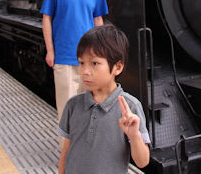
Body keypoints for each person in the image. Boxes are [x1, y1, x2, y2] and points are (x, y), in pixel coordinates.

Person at [57, 25, 150, 174]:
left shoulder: (130, 107)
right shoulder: (73, 105)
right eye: (81, 63)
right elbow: (66, 152)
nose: (85, 72)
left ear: (117, 67)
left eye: (94, 63)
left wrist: (134, 135)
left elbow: (143, 161)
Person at [40, 0, 108, 124]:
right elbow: (47, 18)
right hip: (64, 58)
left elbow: (98, 21)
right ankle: (67, 152)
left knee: (90, 109)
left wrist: (101, 51)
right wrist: (50, 51)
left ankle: (85, 150)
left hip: (90, 59)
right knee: (66, 111)